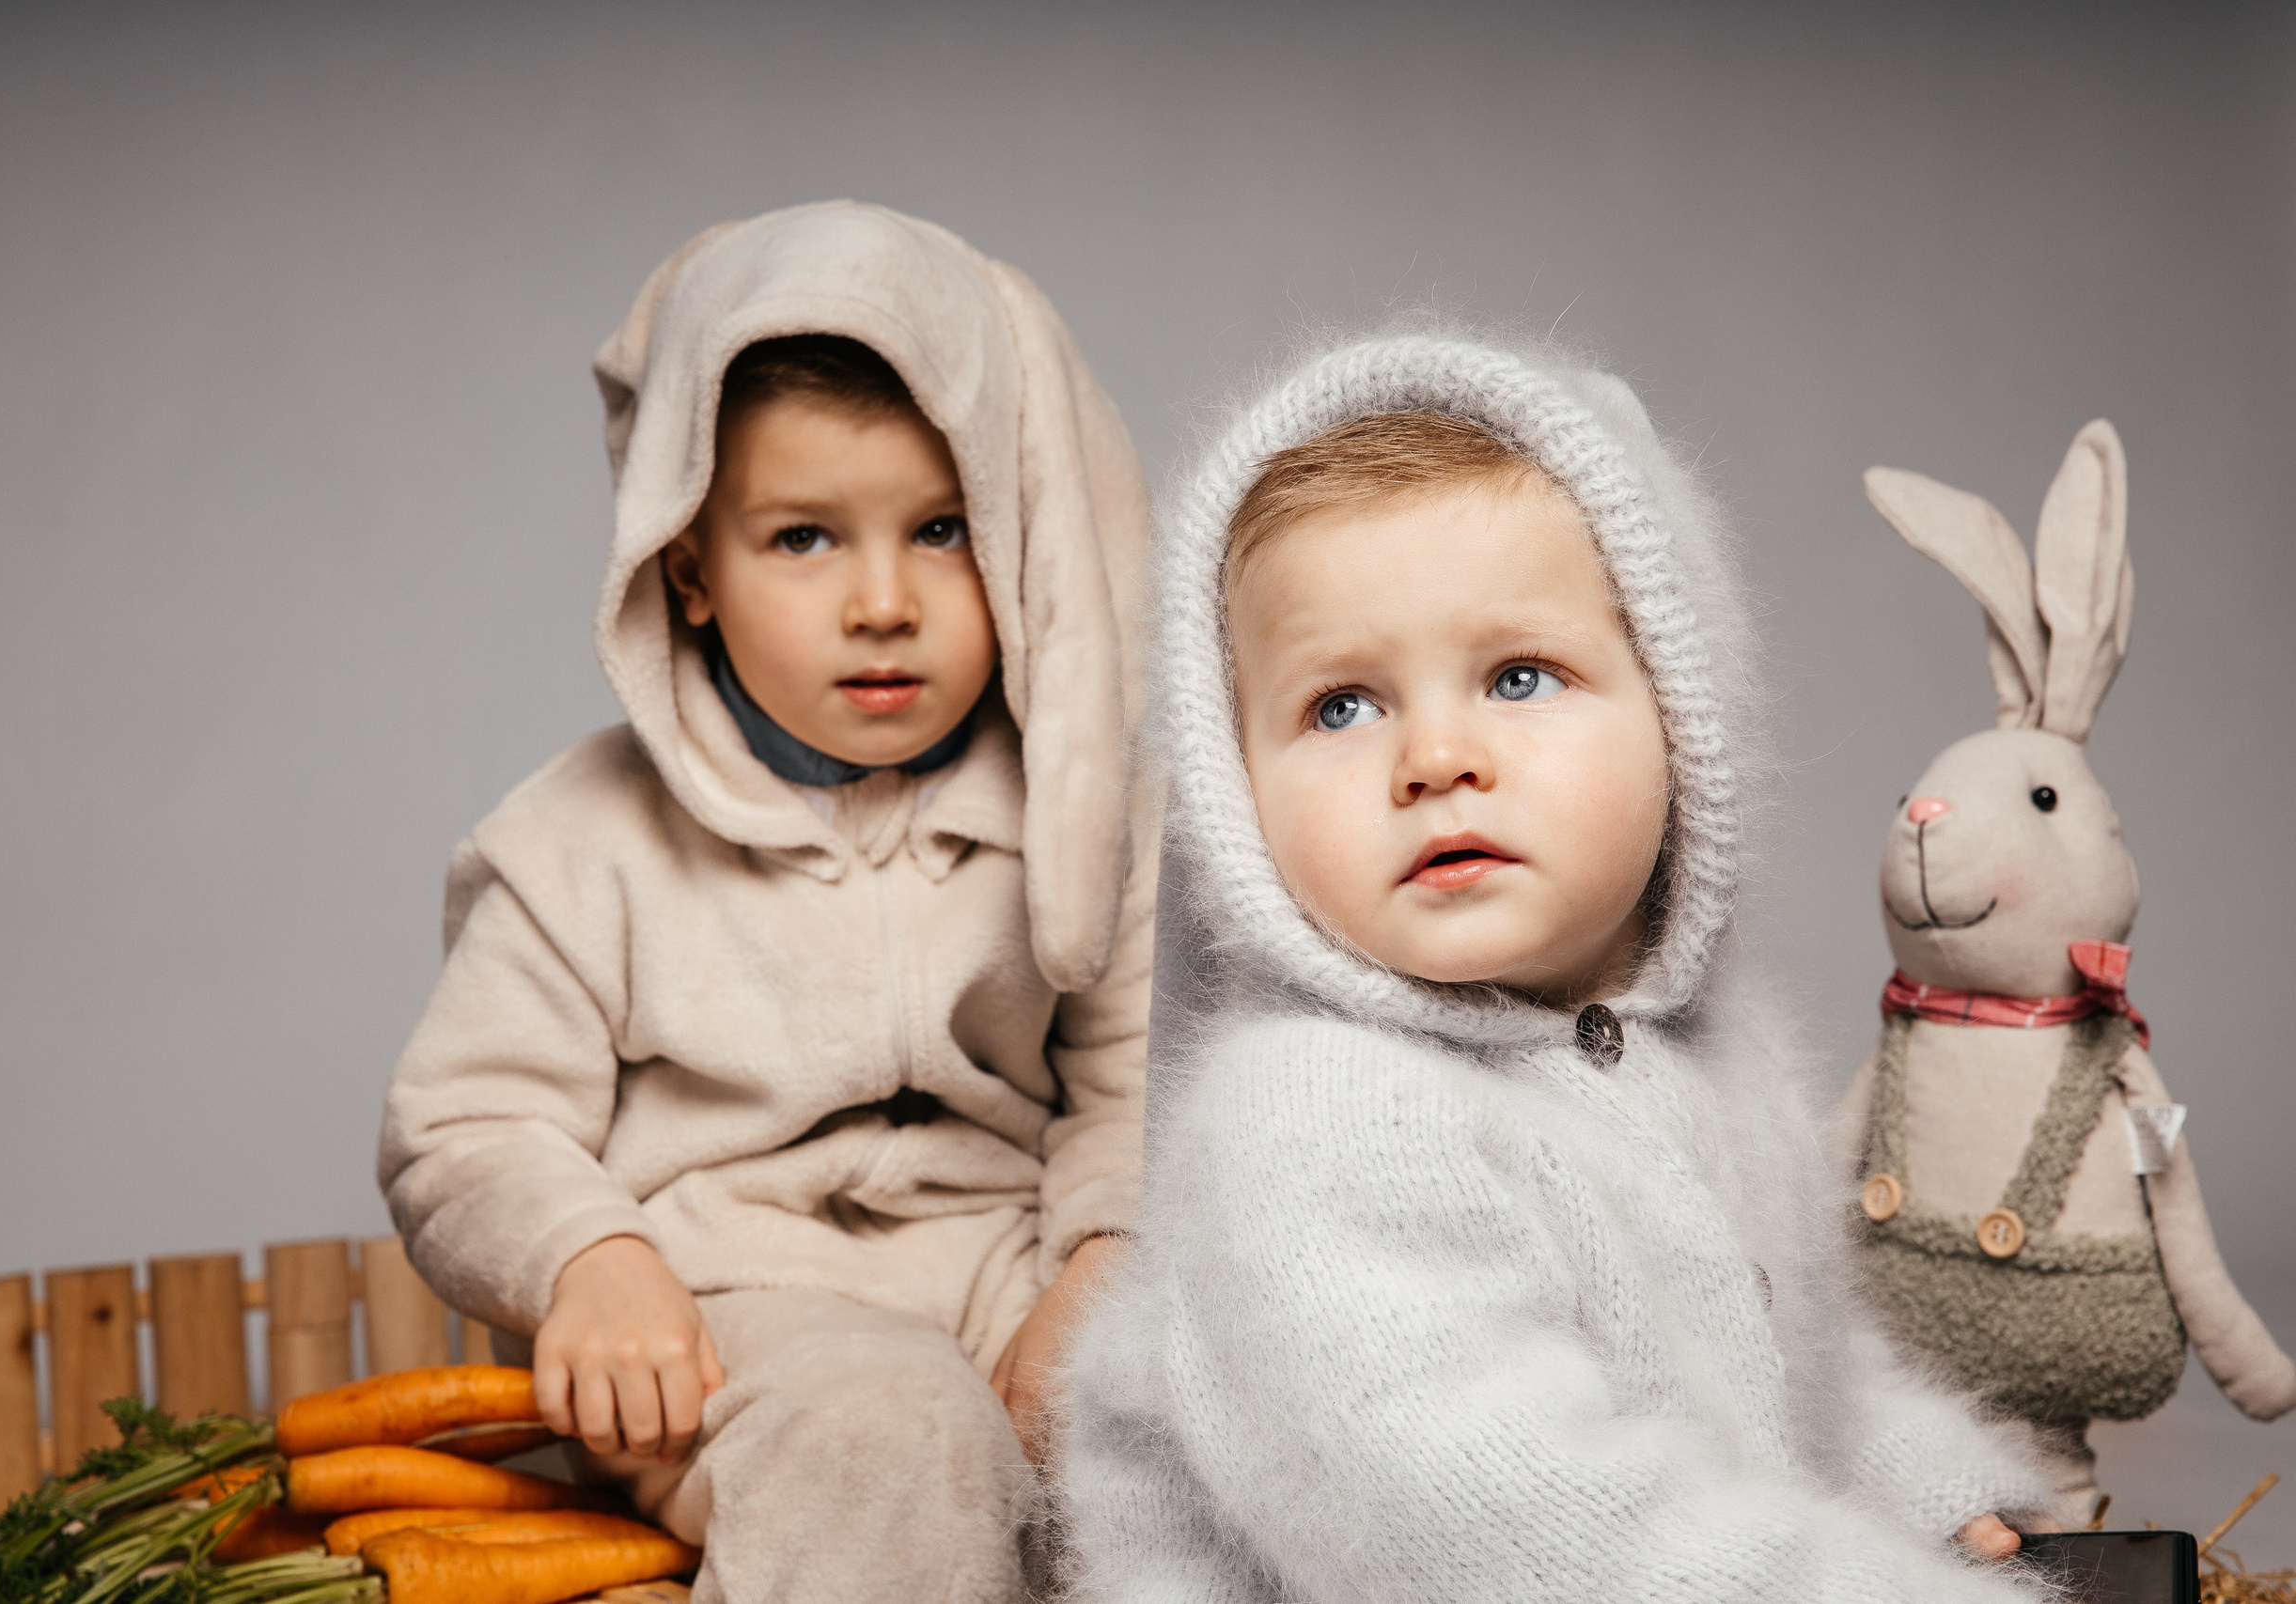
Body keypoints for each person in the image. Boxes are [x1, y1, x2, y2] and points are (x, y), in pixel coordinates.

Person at [1058, 333, 2060, 1602]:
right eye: (1341, 706)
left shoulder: (1710, 1049)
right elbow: (1504, 1519)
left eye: (1519, 677)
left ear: (1684, 713)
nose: (1434, 757)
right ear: (1231, 789)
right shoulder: (1310, 1114)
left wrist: (1922, 1493)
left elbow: (1795, 1369)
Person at [378, 200, 1152, 1604]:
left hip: (1006, 1278)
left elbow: (1143, 1082)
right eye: (804, 539)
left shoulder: (1083, 816)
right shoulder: (581, 845)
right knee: (886, 1433)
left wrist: (1097, 1273)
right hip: (725, 1312)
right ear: (687, 567)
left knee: (1216, 1415)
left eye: (942, 531)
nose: (882, 601)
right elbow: (466, 1127)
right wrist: (593, 1261)